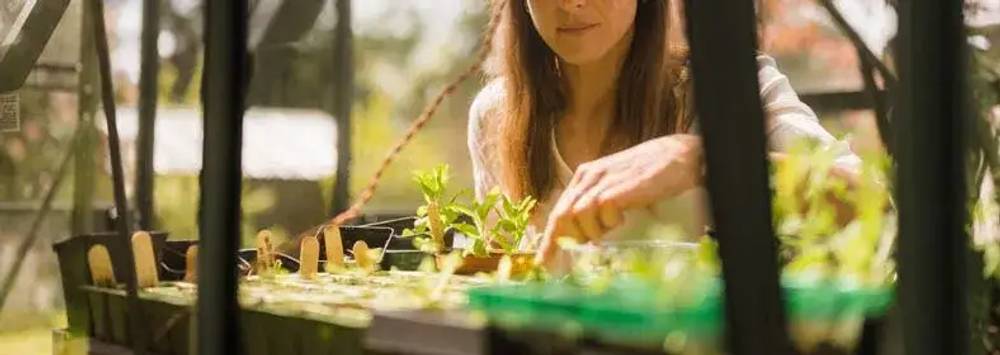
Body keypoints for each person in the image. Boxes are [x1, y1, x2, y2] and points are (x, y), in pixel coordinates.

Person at [467, 0, 861, 268]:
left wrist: (699, 159)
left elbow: (870, 202)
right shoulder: (494, 114)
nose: (571, 3)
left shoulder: (727, 88)